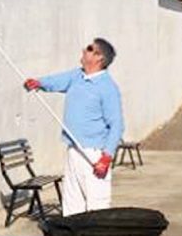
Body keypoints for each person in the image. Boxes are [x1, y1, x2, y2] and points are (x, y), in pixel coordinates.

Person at [24, 38, 124, 216]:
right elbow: (56, 81)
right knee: (71, 201)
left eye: (89, 49)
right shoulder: (77, 76)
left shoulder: (107, 88)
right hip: (74, 149)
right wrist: (39, 83)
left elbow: (117, 125)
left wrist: (107, 157)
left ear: (99, 57)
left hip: (94, 153)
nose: (84, 50)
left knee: (97, 204)